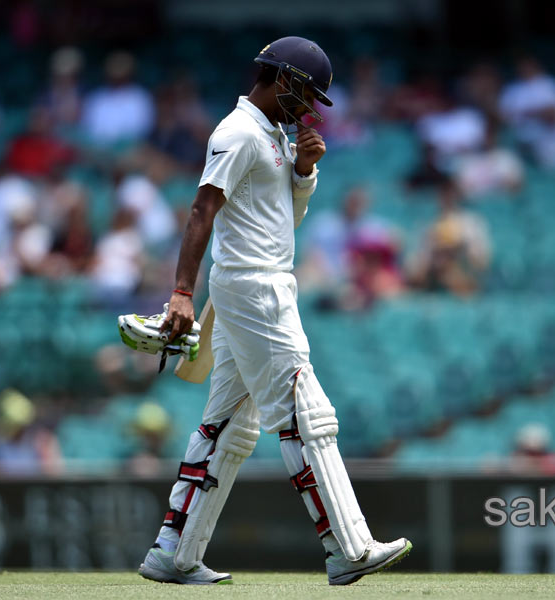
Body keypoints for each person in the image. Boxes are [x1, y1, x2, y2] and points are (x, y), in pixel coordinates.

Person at [142, 36, 411, 586]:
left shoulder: (272, 137)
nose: (308, 109)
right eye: (306, 94)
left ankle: (173, 552)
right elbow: (202, 209)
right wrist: (182, 293)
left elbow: (281, 221)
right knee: (307, 415)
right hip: (254, 289)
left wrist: (304, 173)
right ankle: (348, 547)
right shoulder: (238, 132)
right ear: (282, 79)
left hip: (261, 283)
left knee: (228, 429)